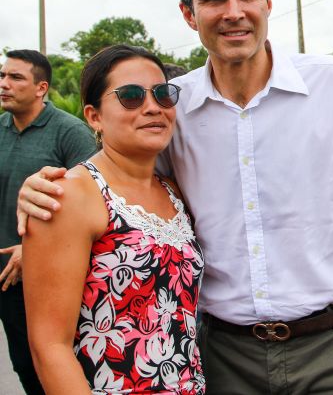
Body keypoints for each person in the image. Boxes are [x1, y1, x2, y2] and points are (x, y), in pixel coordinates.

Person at [18, 0, 333, 395]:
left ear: (268, 0)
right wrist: (41, 198)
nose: (234, 12)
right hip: (222, 355)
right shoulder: (176, 107)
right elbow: (118, 195)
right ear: (188, 14)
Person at [23, 45, 205, 393]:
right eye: (131, 96)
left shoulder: (173, 192)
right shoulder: (69, 196)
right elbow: (49, 347)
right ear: (93, 116)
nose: (152, 107)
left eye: (163, 94)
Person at [0, 49, 95, 394]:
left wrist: (32, 249)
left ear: (41, 88)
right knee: (23, 365)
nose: (4, 84)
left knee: (55, 367)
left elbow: (97, 198)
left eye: (15, 77)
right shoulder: (1, 129)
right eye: (2, 76)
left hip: (51, 277)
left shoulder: (69, 133)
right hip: (6, 279)